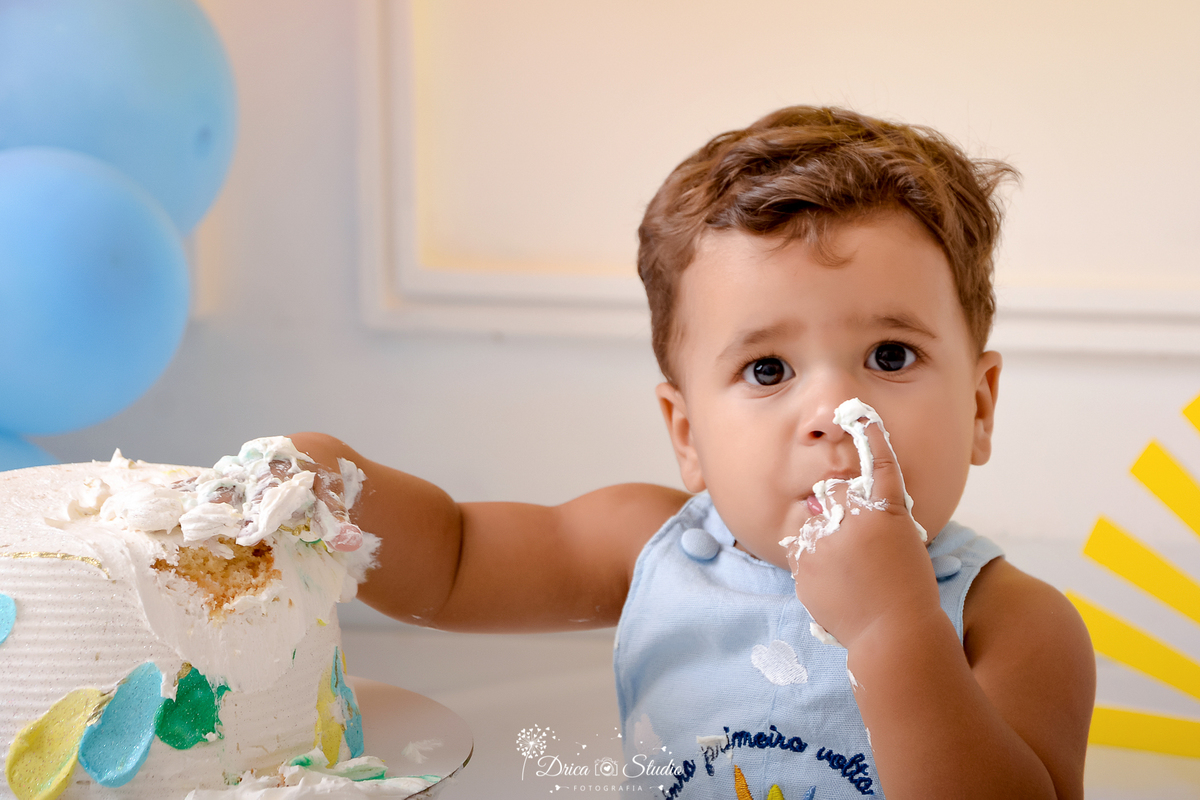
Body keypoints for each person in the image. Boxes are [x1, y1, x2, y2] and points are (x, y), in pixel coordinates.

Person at [290, 106, 1095, 799]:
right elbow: (456, 562)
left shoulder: (1012, 623)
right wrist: (332, 488)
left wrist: (896, 628)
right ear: (688, 436)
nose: (833, 414)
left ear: (980, 407)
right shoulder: (651, 548)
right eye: (767, 370)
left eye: (890, 357)